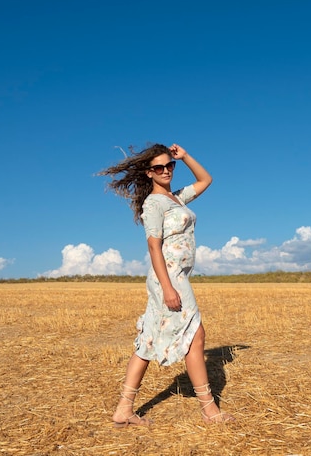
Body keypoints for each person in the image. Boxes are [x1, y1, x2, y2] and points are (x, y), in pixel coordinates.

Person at [99, 143, 234, 427]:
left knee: (148, 340)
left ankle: (124, 409)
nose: (166, 171)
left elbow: (206, 180)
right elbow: (153, 247)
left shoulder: (177, 199)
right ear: (149, 173)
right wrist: (168, 287)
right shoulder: (154, 204)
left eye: (169, 166)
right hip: (168, 278)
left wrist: (184, 157)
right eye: (158, 168)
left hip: (176, 276)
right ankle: (209, 410)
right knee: (195, 336)